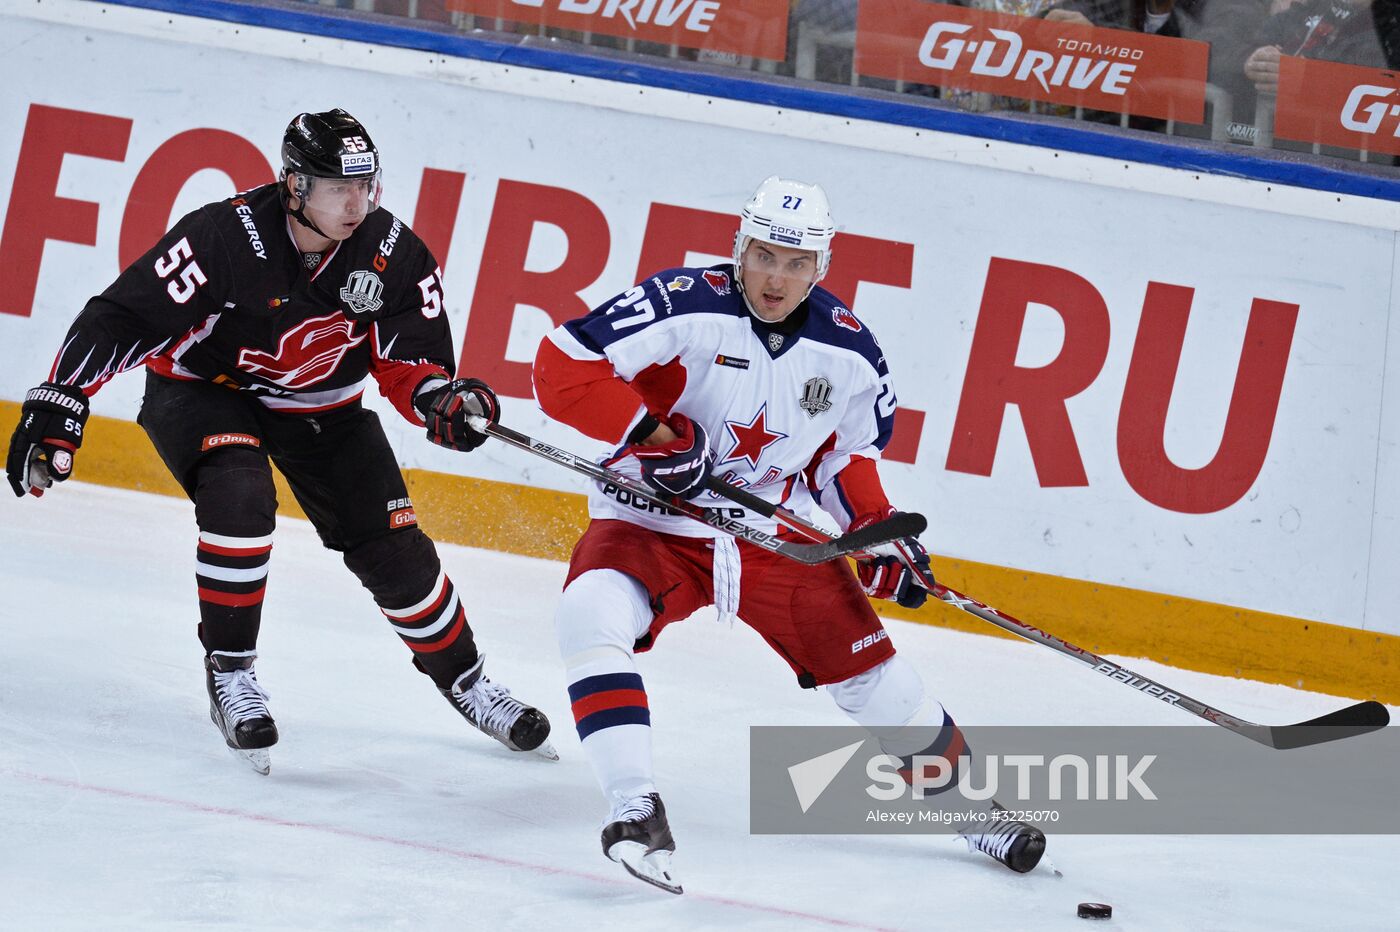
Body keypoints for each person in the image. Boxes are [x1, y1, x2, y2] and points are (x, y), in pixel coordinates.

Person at [532, 176, 1046, 893]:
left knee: (872, 675)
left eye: (796, 263)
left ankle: (971, 810)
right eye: (764, 256)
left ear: (822, 267)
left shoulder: (849, 354)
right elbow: (561, 366)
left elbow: (843, 459)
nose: (776, 278)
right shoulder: (684, 303)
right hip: (649, 518)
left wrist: (875, 536)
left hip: (767, 531)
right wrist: (653, 436)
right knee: (588, 614)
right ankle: (634, 809)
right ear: (738, 248)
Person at [6, 109, 554, 774]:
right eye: (336, 188)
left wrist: (442, 398)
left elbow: (412, 364)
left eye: (366, 186)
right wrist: (64, 393)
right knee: (239, 490)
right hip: (206, 392)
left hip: (323, 409)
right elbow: (123, 317)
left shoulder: (393, 253)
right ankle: (232, 674)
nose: (357, 204)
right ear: (294, 186)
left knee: (396, 553)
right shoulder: (223, 236)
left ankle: (468, 681)